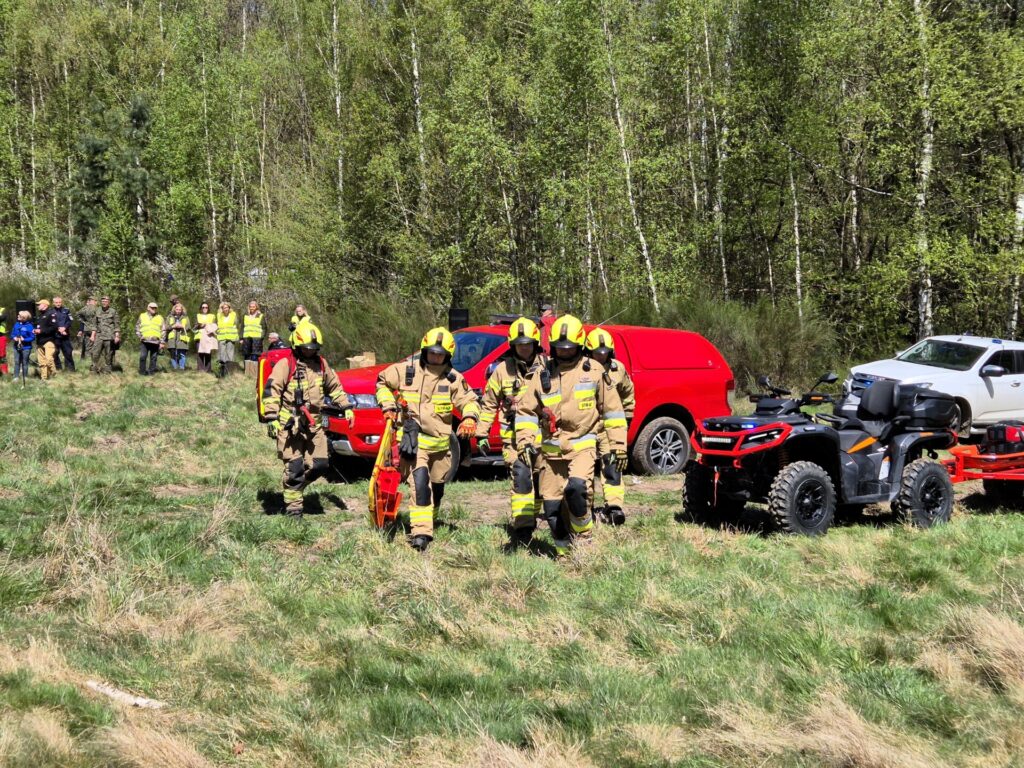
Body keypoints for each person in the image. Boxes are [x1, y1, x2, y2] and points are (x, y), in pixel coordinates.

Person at [515, 315, 627, 556]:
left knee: (577, 490)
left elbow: (613, 411)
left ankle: (585, 540)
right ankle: (565, 555)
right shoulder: (542, 373)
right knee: (553, 511)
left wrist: (619, 446)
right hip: (551, 452)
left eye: (570, 348)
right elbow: (525, 411)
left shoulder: (594, 371)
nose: (565, 353)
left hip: (583, 445)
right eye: (560, 348)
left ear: (579, 347)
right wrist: (524, 441)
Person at [376, 327, 481, 551]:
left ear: (447, 355)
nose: (435, 357)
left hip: (441, 447)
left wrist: (470, 417)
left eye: (440, 354)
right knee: (420, 484)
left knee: (436, 487)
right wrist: (388, 405)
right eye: (431, 352)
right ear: (424, 350)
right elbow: (382, 381)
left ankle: (429, 517)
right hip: (413, 442)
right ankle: (421, 533)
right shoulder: (406, 371)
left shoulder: (453, 379)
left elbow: (469, 400)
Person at [263, 324, 354, 517]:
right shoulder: (286, 365)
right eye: (306, 348)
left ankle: (294, 489)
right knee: (294, 467)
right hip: (291, 427)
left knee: (320, 465)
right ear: (296, 346)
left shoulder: (321, 365)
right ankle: (294, 510)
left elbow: (334, 386)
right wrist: (271, 417)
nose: (310, 351)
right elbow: (272, 390)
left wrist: (346, 406)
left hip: (315, 426)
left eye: (313, 348)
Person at [477, 317, 548, 548]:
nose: (524, 347)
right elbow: (488, 404)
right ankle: (523, 527)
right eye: (519, 344)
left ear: (535, 343)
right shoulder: (501, 371)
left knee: (540, 480)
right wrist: (481, 433)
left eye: (527, 343)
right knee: (521, 476)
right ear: (512, 345)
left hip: (545, 438)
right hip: (514, 440)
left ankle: (535, 516)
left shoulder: (548, 367)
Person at [585, 327, 634, 526]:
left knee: (612, 464)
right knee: (585, 469)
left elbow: (628, 394)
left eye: (604, 353)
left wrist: (626, 419)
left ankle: (613, 507)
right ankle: (584, 507)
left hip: (608, 428)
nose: (601, 356)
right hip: (586, 427)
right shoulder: (582, 369)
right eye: (597, 353)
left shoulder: (618, 369)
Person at [91, 296, 121, 374]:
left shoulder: (113, 311)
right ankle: (94, 369)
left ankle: (107, 370)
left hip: (109, 336)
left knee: (109, 354)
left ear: (109, 302)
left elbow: (117, 325)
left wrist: (117, 336)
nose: (104, 302)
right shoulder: (97, 311)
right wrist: (92, 335)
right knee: (95, 353)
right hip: (99, 335)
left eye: (106, 301)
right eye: (103, 301)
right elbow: (94, 324)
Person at [136, 302, 165, 376]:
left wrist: (162, 342)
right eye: (152, 307)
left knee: (154, 358)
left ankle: (151, 373)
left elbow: (163, 330)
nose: (154, 309)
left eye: (155, 308)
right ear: (148, 308)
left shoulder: (160, 317)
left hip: (155, 341)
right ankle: (142, 373)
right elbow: (137, 327)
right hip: (144, 341)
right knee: (143, 357)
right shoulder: (142, 316)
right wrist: (139, 336)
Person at [35, 299, 59, 381]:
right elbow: (38, 327)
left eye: (39, 304)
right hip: (39, 340)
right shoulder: (39, 316)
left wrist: (41, 331)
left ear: (45, 305)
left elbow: (54, 327)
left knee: (49, 359)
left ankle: (54, 374)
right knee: (41, 361)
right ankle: (44, 378)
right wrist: (35, 330)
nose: (38, 306)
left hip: (49, 340)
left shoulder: (51, 314)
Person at [51, 296, 75, 372]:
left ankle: (70, 369)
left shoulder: (66, 310)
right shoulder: (50, 311)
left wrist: (64, 328)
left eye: (59, 302)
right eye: (56, 302)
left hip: (65, 335)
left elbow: (70, 321)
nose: (58, 304)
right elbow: (50, 323)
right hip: (55, 336)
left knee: (68, 352)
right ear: (53, 303)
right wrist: (58, 329)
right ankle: (58, 369)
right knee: (55, 352)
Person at [165, 303, 191, 370]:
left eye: (180, 309)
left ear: (182, 310)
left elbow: (188, 327)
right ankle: (175, 369)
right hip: (172, 339)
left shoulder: (186, 317)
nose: (178, 311)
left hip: (182, 338)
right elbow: (166, 327)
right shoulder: (169, 317)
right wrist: (173, 326)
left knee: (182, 354)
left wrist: (182, 326)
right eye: (177, 309)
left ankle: (181, 368)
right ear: (174, 309)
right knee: (173, 354)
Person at [216, 301, 238, 376]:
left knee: (230, 355)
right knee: (222, 355)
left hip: (231, 337)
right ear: (221, 309)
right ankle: (222, 372)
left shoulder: (233, 315)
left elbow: (235, 325)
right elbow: (218, 325)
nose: (225, 309)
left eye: (227, 307)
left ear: (229, 308)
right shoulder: (219, 315)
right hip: (222, 337)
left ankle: (230, 372)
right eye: (224, 308)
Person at [10, 311, 34, 381]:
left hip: (26, 347)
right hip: (16, 346)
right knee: (17, 361)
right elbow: (12, 334)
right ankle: (16, 377)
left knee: (24, 362)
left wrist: (24, 339)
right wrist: (14, 337)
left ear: (24, 318)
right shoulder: (16, 324)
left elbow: (32, 337)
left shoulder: (29, 326)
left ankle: (25, 376)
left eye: (19, 316)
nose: (17, 316)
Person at [241, 300, 265, 368]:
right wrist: (241, 338)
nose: (252, 308)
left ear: (256, 307)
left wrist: (262, 337)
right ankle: (247, 371)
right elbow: (242, 327)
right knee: (247, 355)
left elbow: (264, 328)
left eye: (253, 307)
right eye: (250, 307)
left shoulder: (261, 316)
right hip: (246, 338)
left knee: (255, 355)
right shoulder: (245, 316)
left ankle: (254, 371)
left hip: (257, 338)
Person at [195, 302, 216, 373]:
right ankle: (200, 370)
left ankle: (208, 370)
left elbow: (215, 325)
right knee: (200, 354)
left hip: (208, 336)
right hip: (199, 336)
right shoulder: (198, 315)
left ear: (208, 308)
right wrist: (200, 325)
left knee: (208, 353)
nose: (205, 309)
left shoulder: (212, 316)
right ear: (201, 308)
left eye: (206, 307)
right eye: (203, 307)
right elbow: (194, 326)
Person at [77, 296, 97, 369]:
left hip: (87, 330)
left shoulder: (84, 309)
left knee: (88, 348)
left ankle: (88, 365)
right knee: (96, 348)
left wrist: (84, 321)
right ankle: (93, 364)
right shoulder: (97, 309)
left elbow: (78, 314)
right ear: (95, 301)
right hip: (96, 331)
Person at [0, 304, 7, 376]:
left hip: (0, 336)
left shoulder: (2, 310)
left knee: (2, 356)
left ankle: (4, 373)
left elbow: (2, 318)